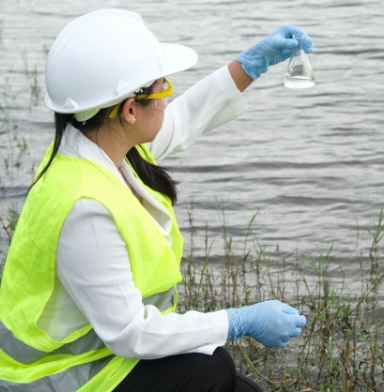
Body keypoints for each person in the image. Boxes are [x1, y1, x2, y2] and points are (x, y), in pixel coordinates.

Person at [0, 9, 312, 392]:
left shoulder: (107, 146)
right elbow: (132, 332)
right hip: (62, 376)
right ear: (130, 110)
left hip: (101, 352)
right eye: (163, 87)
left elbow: (182, 119)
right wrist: (237, 321)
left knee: (228, 377)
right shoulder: (84, 207)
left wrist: (250, 64)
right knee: (211, 371)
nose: (170, 94)